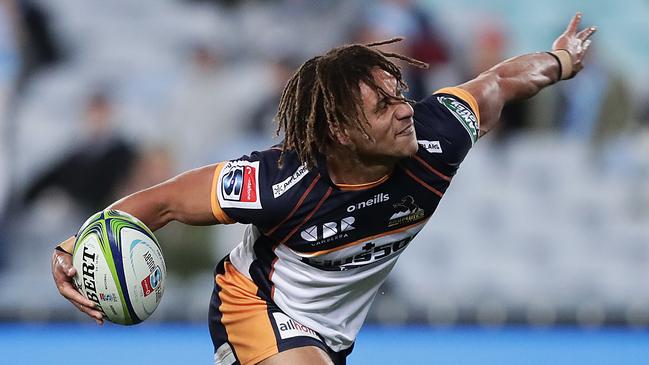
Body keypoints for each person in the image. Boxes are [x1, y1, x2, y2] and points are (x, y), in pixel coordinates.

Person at [52, 13, 596, 365]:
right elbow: (163, 200)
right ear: (339, 130)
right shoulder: (280, 181)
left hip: (333, 337)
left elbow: (498, 81)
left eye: (400, 93)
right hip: (256, 307)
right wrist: (75, 246)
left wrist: (562, 60)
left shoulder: (437, 133)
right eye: (384, 106)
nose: (406, 109)